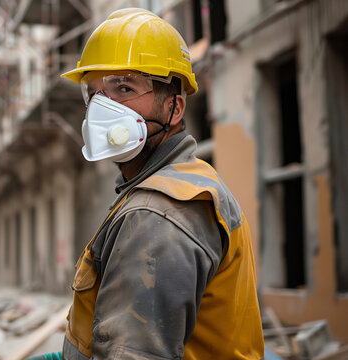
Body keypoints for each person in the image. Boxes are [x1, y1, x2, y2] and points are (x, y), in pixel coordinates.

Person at [57, 8, 264, 360]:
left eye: (123, 87)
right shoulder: (188, 181)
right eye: (94, 94)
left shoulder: (159, 214)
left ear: (174, 108)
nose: (101, 109)